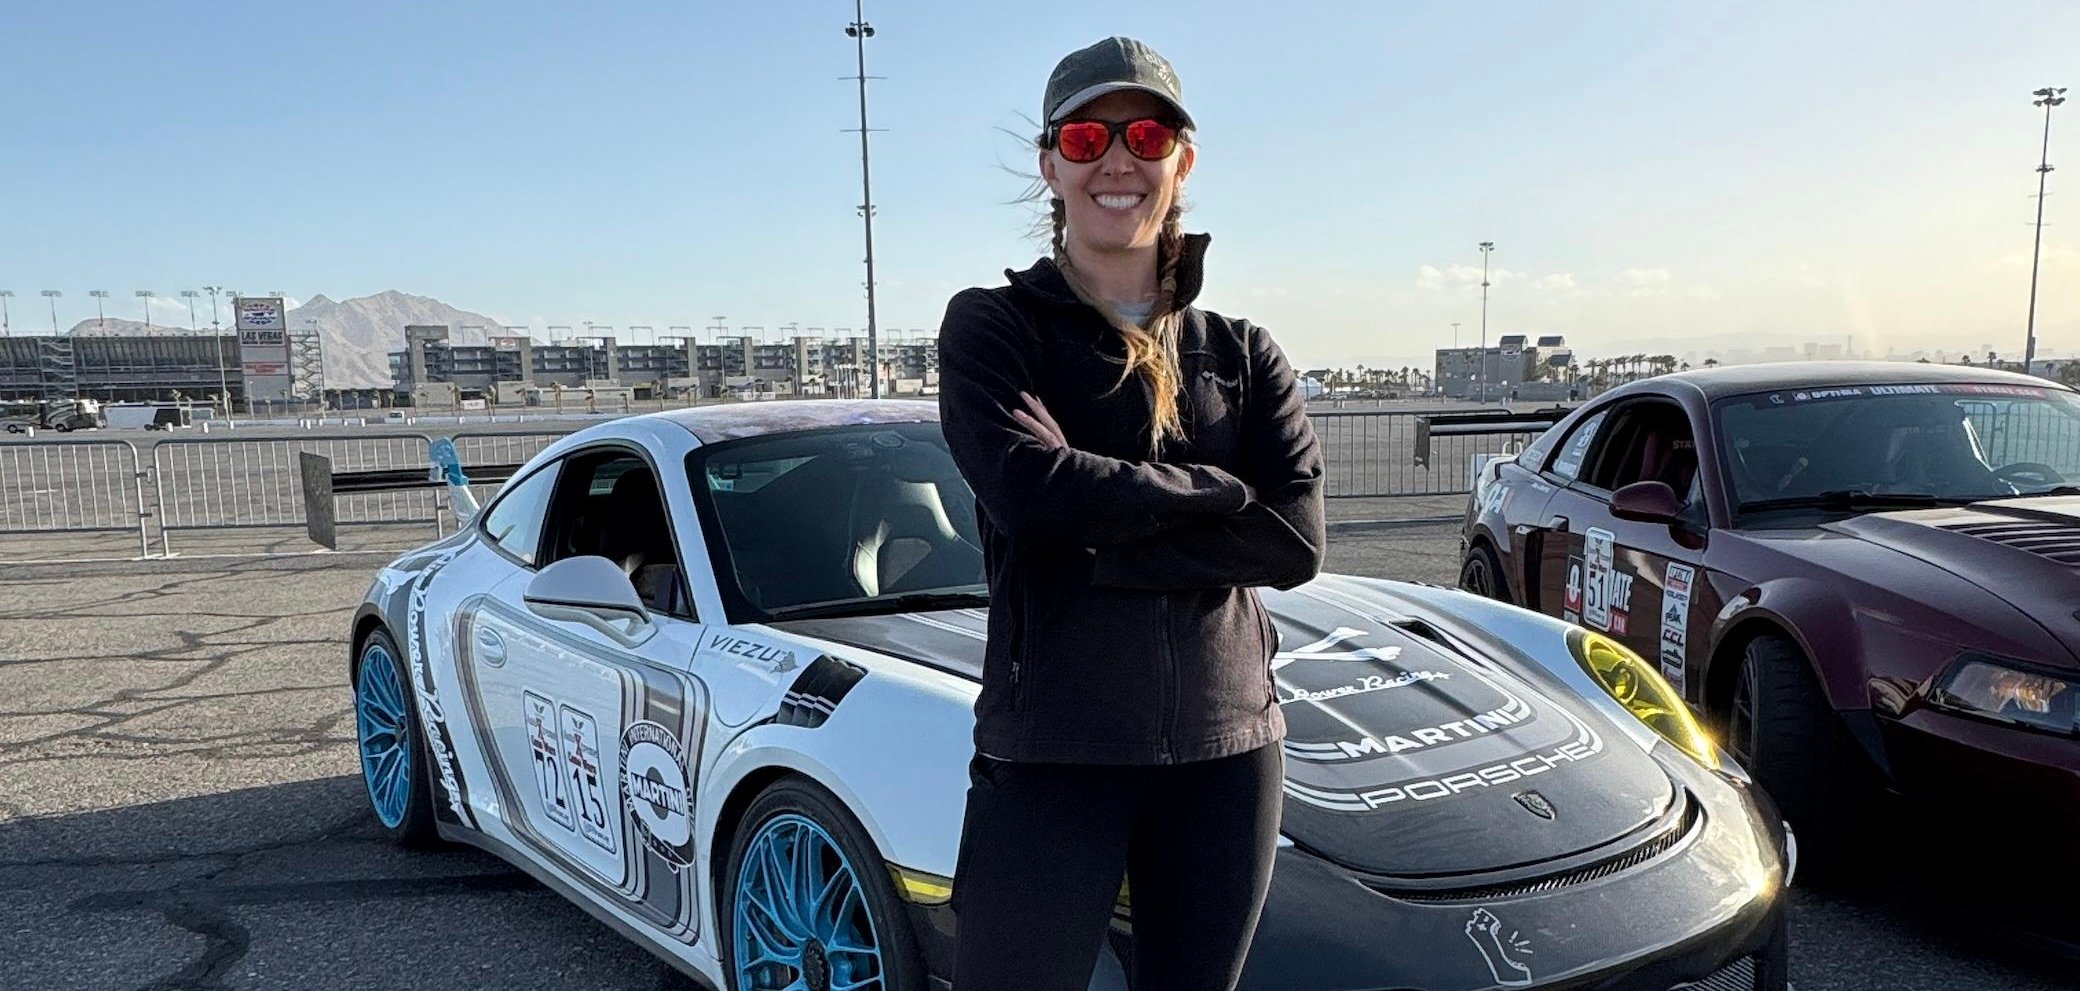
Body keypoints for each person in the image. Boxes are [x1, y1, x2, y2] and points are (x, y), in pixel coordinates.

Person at [934, 36, 1326, 991]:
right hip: (1053, 751)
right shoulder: (993, 328)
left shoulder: (1242, 353)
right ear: (1050, 164)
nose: (1117, 159)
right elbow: (1028, 494)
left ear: (1181, 163)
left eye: (1146, 135)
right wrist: (1218, 491)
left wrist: (1098, 528)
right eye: (1086, 137)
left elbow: (1293, 540)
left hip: (1228, 752)